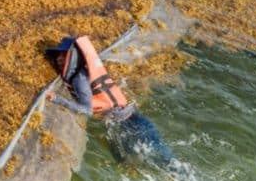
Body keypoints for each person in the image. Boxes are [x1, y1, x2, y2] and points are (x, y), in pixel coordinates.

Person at [44, 36, 176, 169]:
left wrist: (56, 99)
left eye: (64, 54)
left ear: (73, 57)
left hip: (130, 125)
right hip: (131, 121)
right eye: (57, 55)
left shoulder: (79, 78)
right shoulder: (83, 72)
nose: (59, 59)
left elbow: (86, 110)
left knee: (165, 162)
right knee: (140, 161)